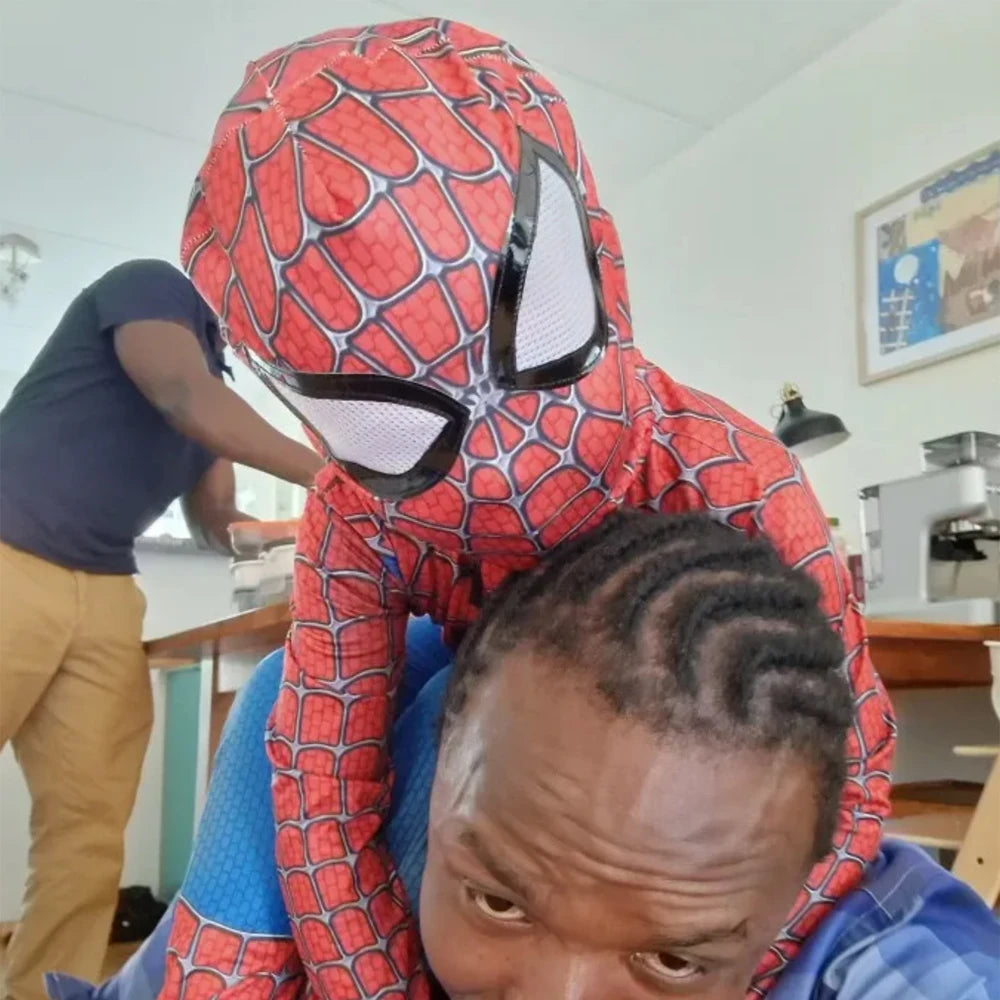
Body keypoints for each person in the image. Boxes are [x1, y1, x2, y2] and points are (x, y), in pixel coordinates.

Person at [171, 18, 896, 1000]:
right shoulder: (358, 520)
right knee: (296, 706)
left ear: (595, 247)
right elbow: (320, 794)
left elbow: (851, 770)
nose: (500, 458)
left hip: (588, 804)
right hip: (477, 755)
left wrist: (715, 965)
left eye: (538, 328)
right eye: (391, 423)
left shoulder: (730, 470)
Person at [47, 513, 999, 1000]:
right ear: (434, 772)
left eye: (673, 962)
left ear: (804, 889)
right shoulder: (331, 831)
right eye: (499, 902)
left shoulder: (882, 958)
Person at [0, 258, 323, 1000]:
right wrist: (342, 474)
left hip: (107, 591)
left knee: (87, 836)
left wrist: (311, 524)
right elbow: (181, 395)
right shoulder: (152, 288)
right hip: (9, 553)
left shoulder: (216, 383)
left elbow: (216, 522)